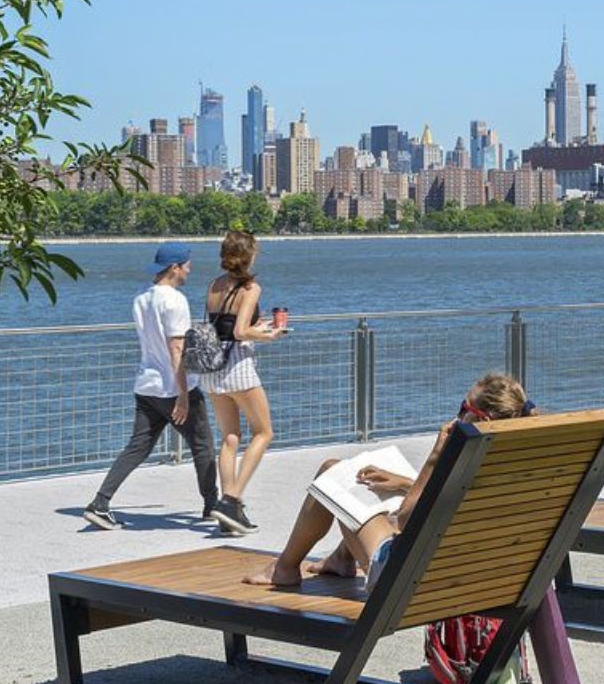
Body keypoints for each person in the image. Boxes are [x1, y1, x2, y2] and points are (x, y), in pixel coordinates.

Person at [244, 372, 531, 589]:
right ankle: (340, 559)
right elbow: (452, 498)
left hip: (405, 579)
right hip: (469, 575)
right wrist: (405, 482)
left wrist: (435, 457)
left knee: (331, 474)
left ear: (480, 419)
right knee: (351, 476)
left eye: (463, 408)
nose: (457, 415)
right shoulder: (510, 467)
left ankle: (284, 568)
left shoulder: (461, 459)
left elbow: (407, 520)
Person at [83, 242, 219, 530]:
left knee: (137, 447)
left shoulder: (141, 298)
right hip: (173, 387)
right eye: (187, 264)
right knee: (203, 444)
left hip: (147, 385)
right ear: (175, 268)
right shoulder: (175, 300)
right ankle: (212, 506)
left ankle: (100, 503)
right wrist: (183, 395)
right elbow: (176, 349)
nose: (189, 269)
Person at [202, 230, 286, 537]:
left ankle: (230, 512)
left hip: (212, 369)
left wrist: (254, 327)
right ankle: (232, 499)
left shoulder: (213, 285)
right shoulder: (251, 288)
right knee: (264, 432)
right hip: (238, 365)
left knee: (230, 438)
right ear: (249, 255)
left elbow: (221, 325)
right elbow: (238, 332)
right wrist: (268, 334)